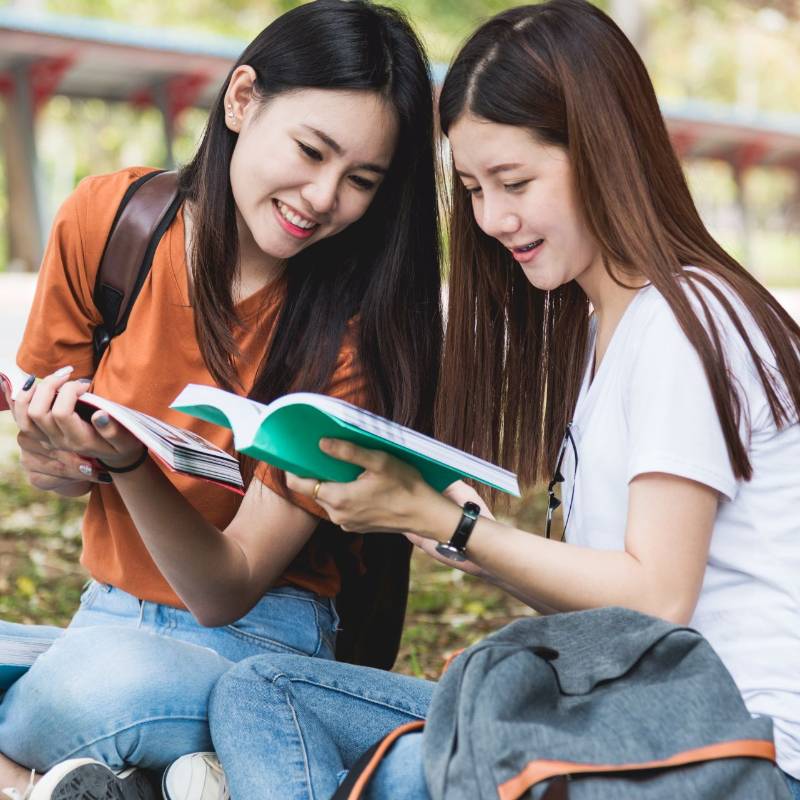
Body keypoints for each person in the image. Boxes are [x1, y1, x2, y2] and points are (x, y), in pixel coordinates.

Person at [207, 1, 800, 798]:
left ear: (603, 150)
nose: (494, 220)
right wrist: (462, 530)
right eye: (477, 189)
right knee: (265, 691)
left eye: (515, 182)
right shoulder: (603, 331)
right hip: (623, 726)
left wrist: (438, 521)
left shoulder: (683, 322)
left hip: (719, 753)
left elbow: (657, 598)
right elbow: (617, 594)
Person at [0, 1, 441, 798]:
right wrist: (51, 446)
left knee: (102, 690)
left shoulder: (351, 341)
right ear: (242, 100)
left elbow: (226, 587)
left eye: (361, 181)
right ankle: (174, 779)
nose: (322, 196)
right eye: (311, 151)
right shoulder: (111, 224)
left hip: (263, 646)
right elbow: (55, 476)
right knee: (99, 672)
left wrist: (131, 464)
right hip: (108, 610)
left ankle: (57, 768)